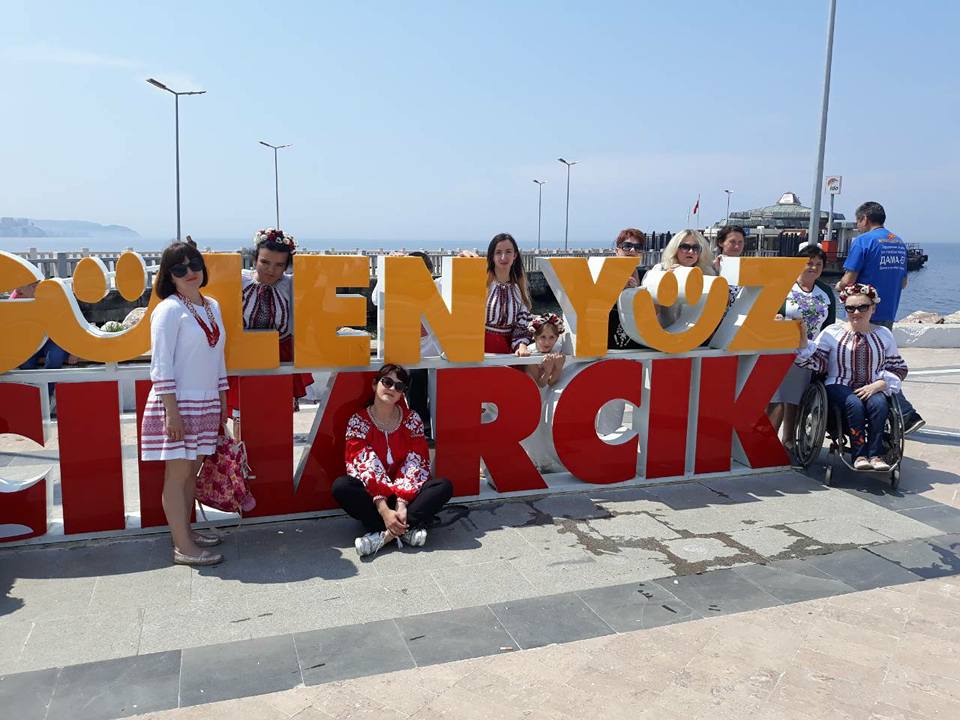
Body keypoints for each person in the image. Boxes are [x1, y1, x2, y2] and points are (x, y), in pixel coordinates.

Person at [140, 242, 227, 566]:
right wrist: (171, 413)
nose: (190, 272)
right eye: (180, 268)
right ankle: (182, 546)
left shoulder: (212, 306)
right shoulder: (168, 310)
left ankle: (186, 533)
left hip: (205, 403)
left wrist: (222, 400)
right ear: (169, 276)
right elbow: (160, 364)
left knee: (191, 473)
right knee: (177, 476)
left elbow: (218, 358)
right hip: (177, 404)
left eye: (194, 265)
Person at [333, 364, 454, 557]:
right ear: (375, 384)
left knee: (443, 486)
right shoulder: (358, 421)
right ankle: (405, 529)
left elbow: (416, 462)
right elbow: (363, 466)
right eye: (387, 382)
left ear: (402, 394)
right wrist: (384, 510)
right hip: (374, 497)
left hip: (405, 496)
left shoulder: (411, 419)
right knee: (342, 486)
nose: (391, 388)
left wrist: (402, 503)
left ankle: (384, 536)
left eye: (399, 386)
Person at [795, 283, 908, 471]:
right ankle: (859, 454)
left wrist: (880, 384)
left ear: (873, 308)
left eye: (862, 307)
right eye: (850, 308)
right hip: (838, 384)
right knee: (854, 403)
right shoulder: (832, 332)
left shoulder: (883, 334)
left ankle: (876, 455)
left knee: (879, 404)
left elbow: (898, 367)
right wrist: (803, 341)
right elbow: (818, 362)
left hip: (872, 385)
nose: (856, 312)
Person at [835, 201, 922, 434]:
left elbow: (849, 279)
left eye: (858, 221)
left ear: (865, 219)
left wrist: (839, 286)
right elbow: (904, 281)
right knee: (879, 364)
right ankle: (891, 413)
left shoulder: (863, 241)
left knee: (869, 367)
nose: (857, 226)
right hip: (888, 311)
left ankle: (906, 413)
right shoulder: (898, 242)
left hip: (864, 312)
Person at [226, 228, 313, 418]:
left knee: (276, 413)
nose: (271, 270)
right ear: (255, 260)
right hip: (243, 354)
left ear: (286, 267)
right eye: (265, 262)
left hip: (279, 354)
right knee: (243, 412)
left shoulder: (292, 285)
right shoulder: (238, 280)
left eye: (279, 265)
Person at [768, 245, 836, 449]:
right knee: (779, 398)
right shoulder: (784, 287)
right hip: (784, 349)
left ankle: (788, 440)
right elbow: (768, 313)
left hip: (811, 351)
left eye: (818, 264)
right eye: (809, 263)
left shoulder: (825, 292)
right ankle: (767, 441)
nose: (813, 267)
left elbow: (830, 324)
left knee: (797, 399)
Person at [482, 233, 533, 356]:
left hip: (507, 351)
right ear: (492, 256)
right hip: (480, 349)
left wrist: (522, 346)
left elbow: (521, 326)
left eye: (508, 252)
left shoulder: (518, 289)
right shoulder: (482, 284)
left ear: (515, 255)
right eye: (498, 252)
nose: (503, 257)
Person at [655, 229, 716, 327]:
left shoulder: (707, 274)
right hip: (665, 330)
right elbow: (650, 306)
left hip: (695, 330)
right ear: (675, 249)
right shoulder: (660, 270)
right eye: (685, 247)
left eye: (696, 248)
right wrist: (665, 281)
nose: (691, 252)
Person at [607, 228, 647, 350]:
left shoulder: (646, 276)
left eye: (638, 247)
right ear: (617, 250)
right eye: (627, 246)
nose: (633, 250)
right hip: (608, 348)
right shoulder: (605, 275)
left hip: (638, 347)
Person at [524, 313, 566, 387]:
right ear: (535, 337)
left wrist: (558, 368)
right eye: (543, 337)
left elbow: (551, 383)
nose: (547, 342)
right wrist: (547, 371)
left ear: (557, 338)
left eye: (552, 337)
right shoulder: (529, 353)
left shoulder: (558, 349)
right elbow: (540, 385)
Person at [713, 225, 746, 306]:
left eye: (740, 242)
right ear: (721, 243)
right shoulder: (710, 268)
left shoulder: (748, 269)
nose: (737, 246)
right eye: (732, 242)